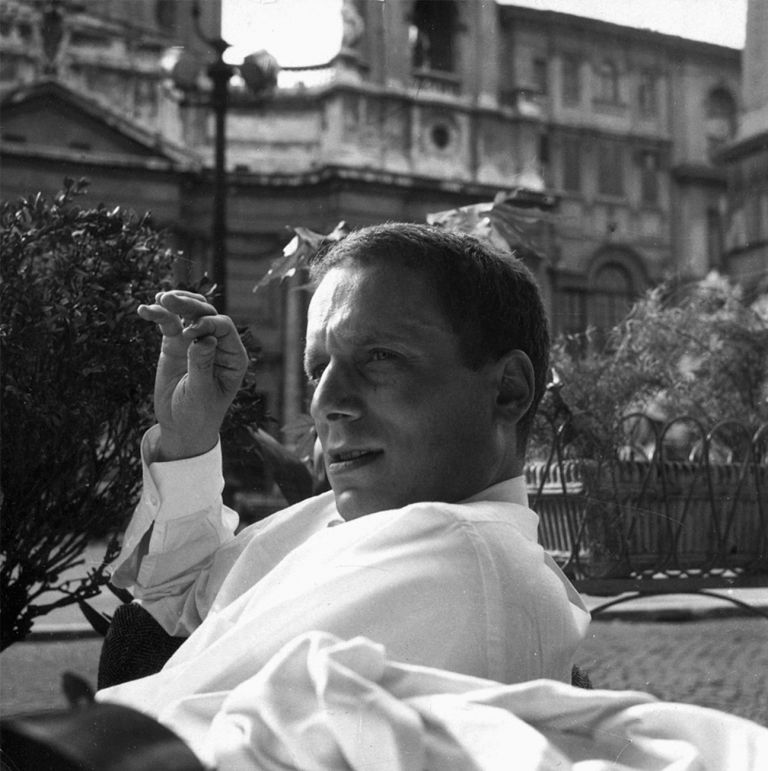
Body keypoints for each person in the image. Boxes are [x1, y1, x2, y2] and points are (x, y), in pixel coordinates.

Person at [97, 223, 589, 736]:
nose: (326, 403)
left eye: (379, 358)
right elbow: (180, 608)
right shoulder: (346, 516)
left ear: (508, 390)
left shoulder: (458, 558)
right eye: (318, 368)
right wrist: (188, 439)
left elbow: (159, 723)